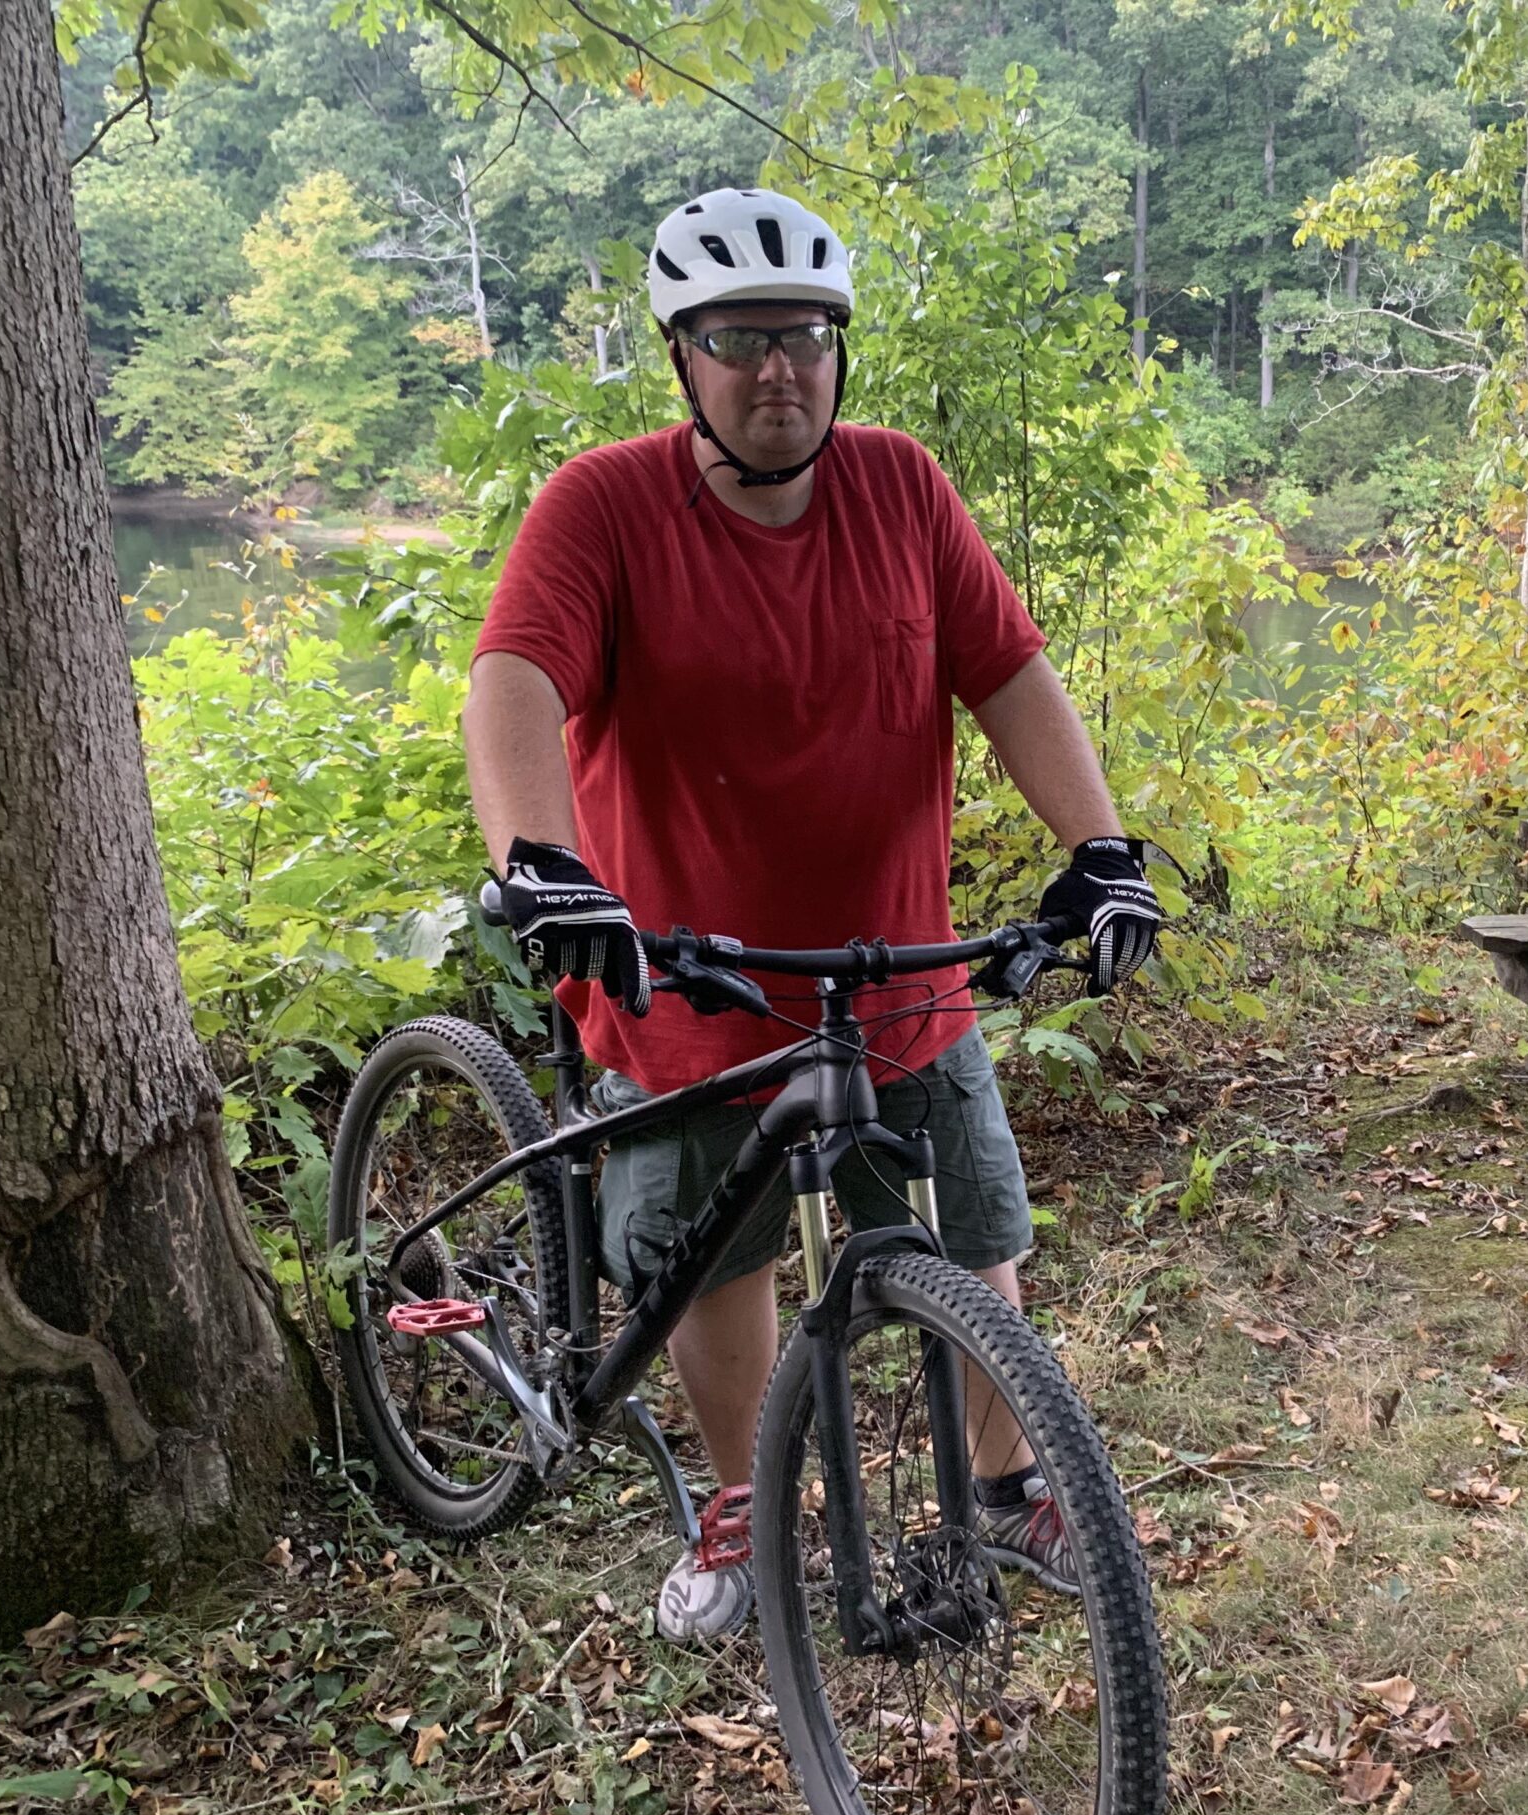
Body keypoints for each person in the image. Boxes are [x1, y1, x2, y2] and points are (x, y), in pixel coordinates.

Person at [461, 187, 1163, 1644]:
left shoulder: (901, 487)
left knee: (976, 1233)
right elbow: (514, 678)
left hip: (895, 973)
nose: (778, 367)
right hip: (685, 987)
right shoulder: (604, 505)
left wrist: (1100, 849)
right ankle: (740, 1503)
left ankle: (1005, 1483)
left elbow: (1009, 673)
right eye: (738, 338)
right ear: (683, 357)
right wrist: (542, 861)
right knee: (717, 1264)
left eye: (806, 335)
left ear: (840, 349)